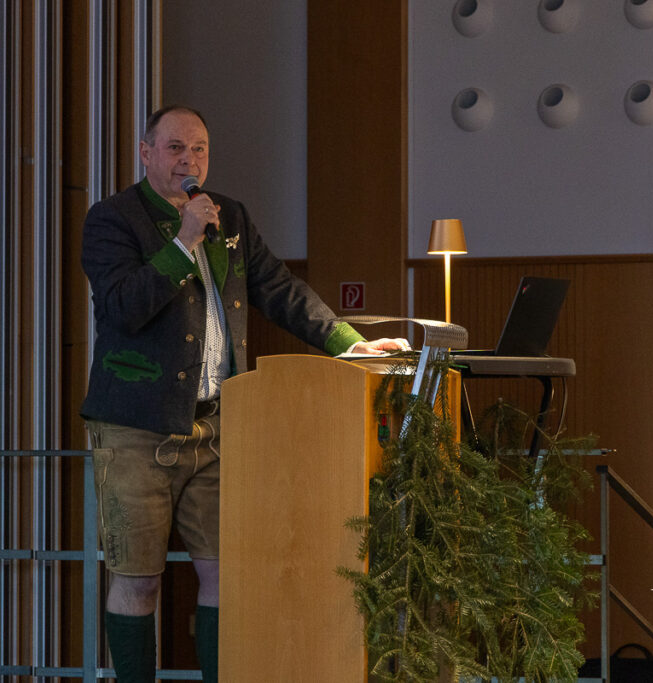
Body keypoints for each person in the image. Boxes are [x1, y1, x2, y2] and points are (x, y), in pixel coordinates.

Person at [80, 104, 408, 683]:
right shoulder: (112, 219)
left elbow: (280, 289)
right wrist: (184, 241)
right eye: (176, 148)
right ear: (146, 152)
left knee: (225, 575)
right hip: (135, 427)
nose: (189, 160)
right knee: (138, 579)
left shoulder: (229, 216)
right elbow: (124, 307)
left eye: (199, 149)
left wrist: (349, 344)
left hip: (217, 426)